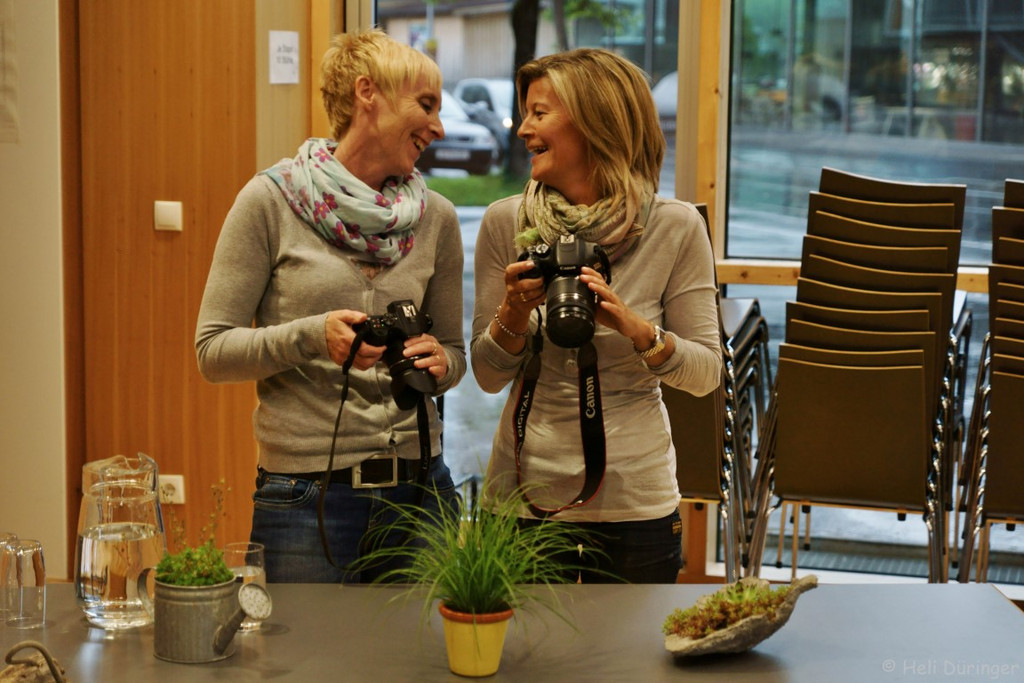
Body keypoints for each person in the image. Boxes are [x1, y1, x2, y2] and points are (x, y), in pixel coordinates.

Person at [195, 29, 465, 583]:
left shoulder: (436, 217)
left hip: (420, 493)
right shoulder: (269, 202)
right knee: (306, 644)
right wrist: (313, 336)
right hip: (304, 496)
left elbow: (455, 354)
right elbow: (213, 352)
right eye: (426, 105)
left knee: (424, 646)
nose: (438, 127)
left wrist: (442, 362)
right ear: (368, 93)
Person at [471, 48, 722, 583]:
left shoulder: (674, 227)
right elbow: (488, 376)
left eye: (539, 113)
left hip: (636, 502)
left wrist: (637, 330)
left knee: (633, 643)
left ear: (595, 122)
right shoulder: (505, 222)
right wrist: (513, 311)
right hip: (521, 496)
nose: (522, 129)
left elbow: (706, 374)